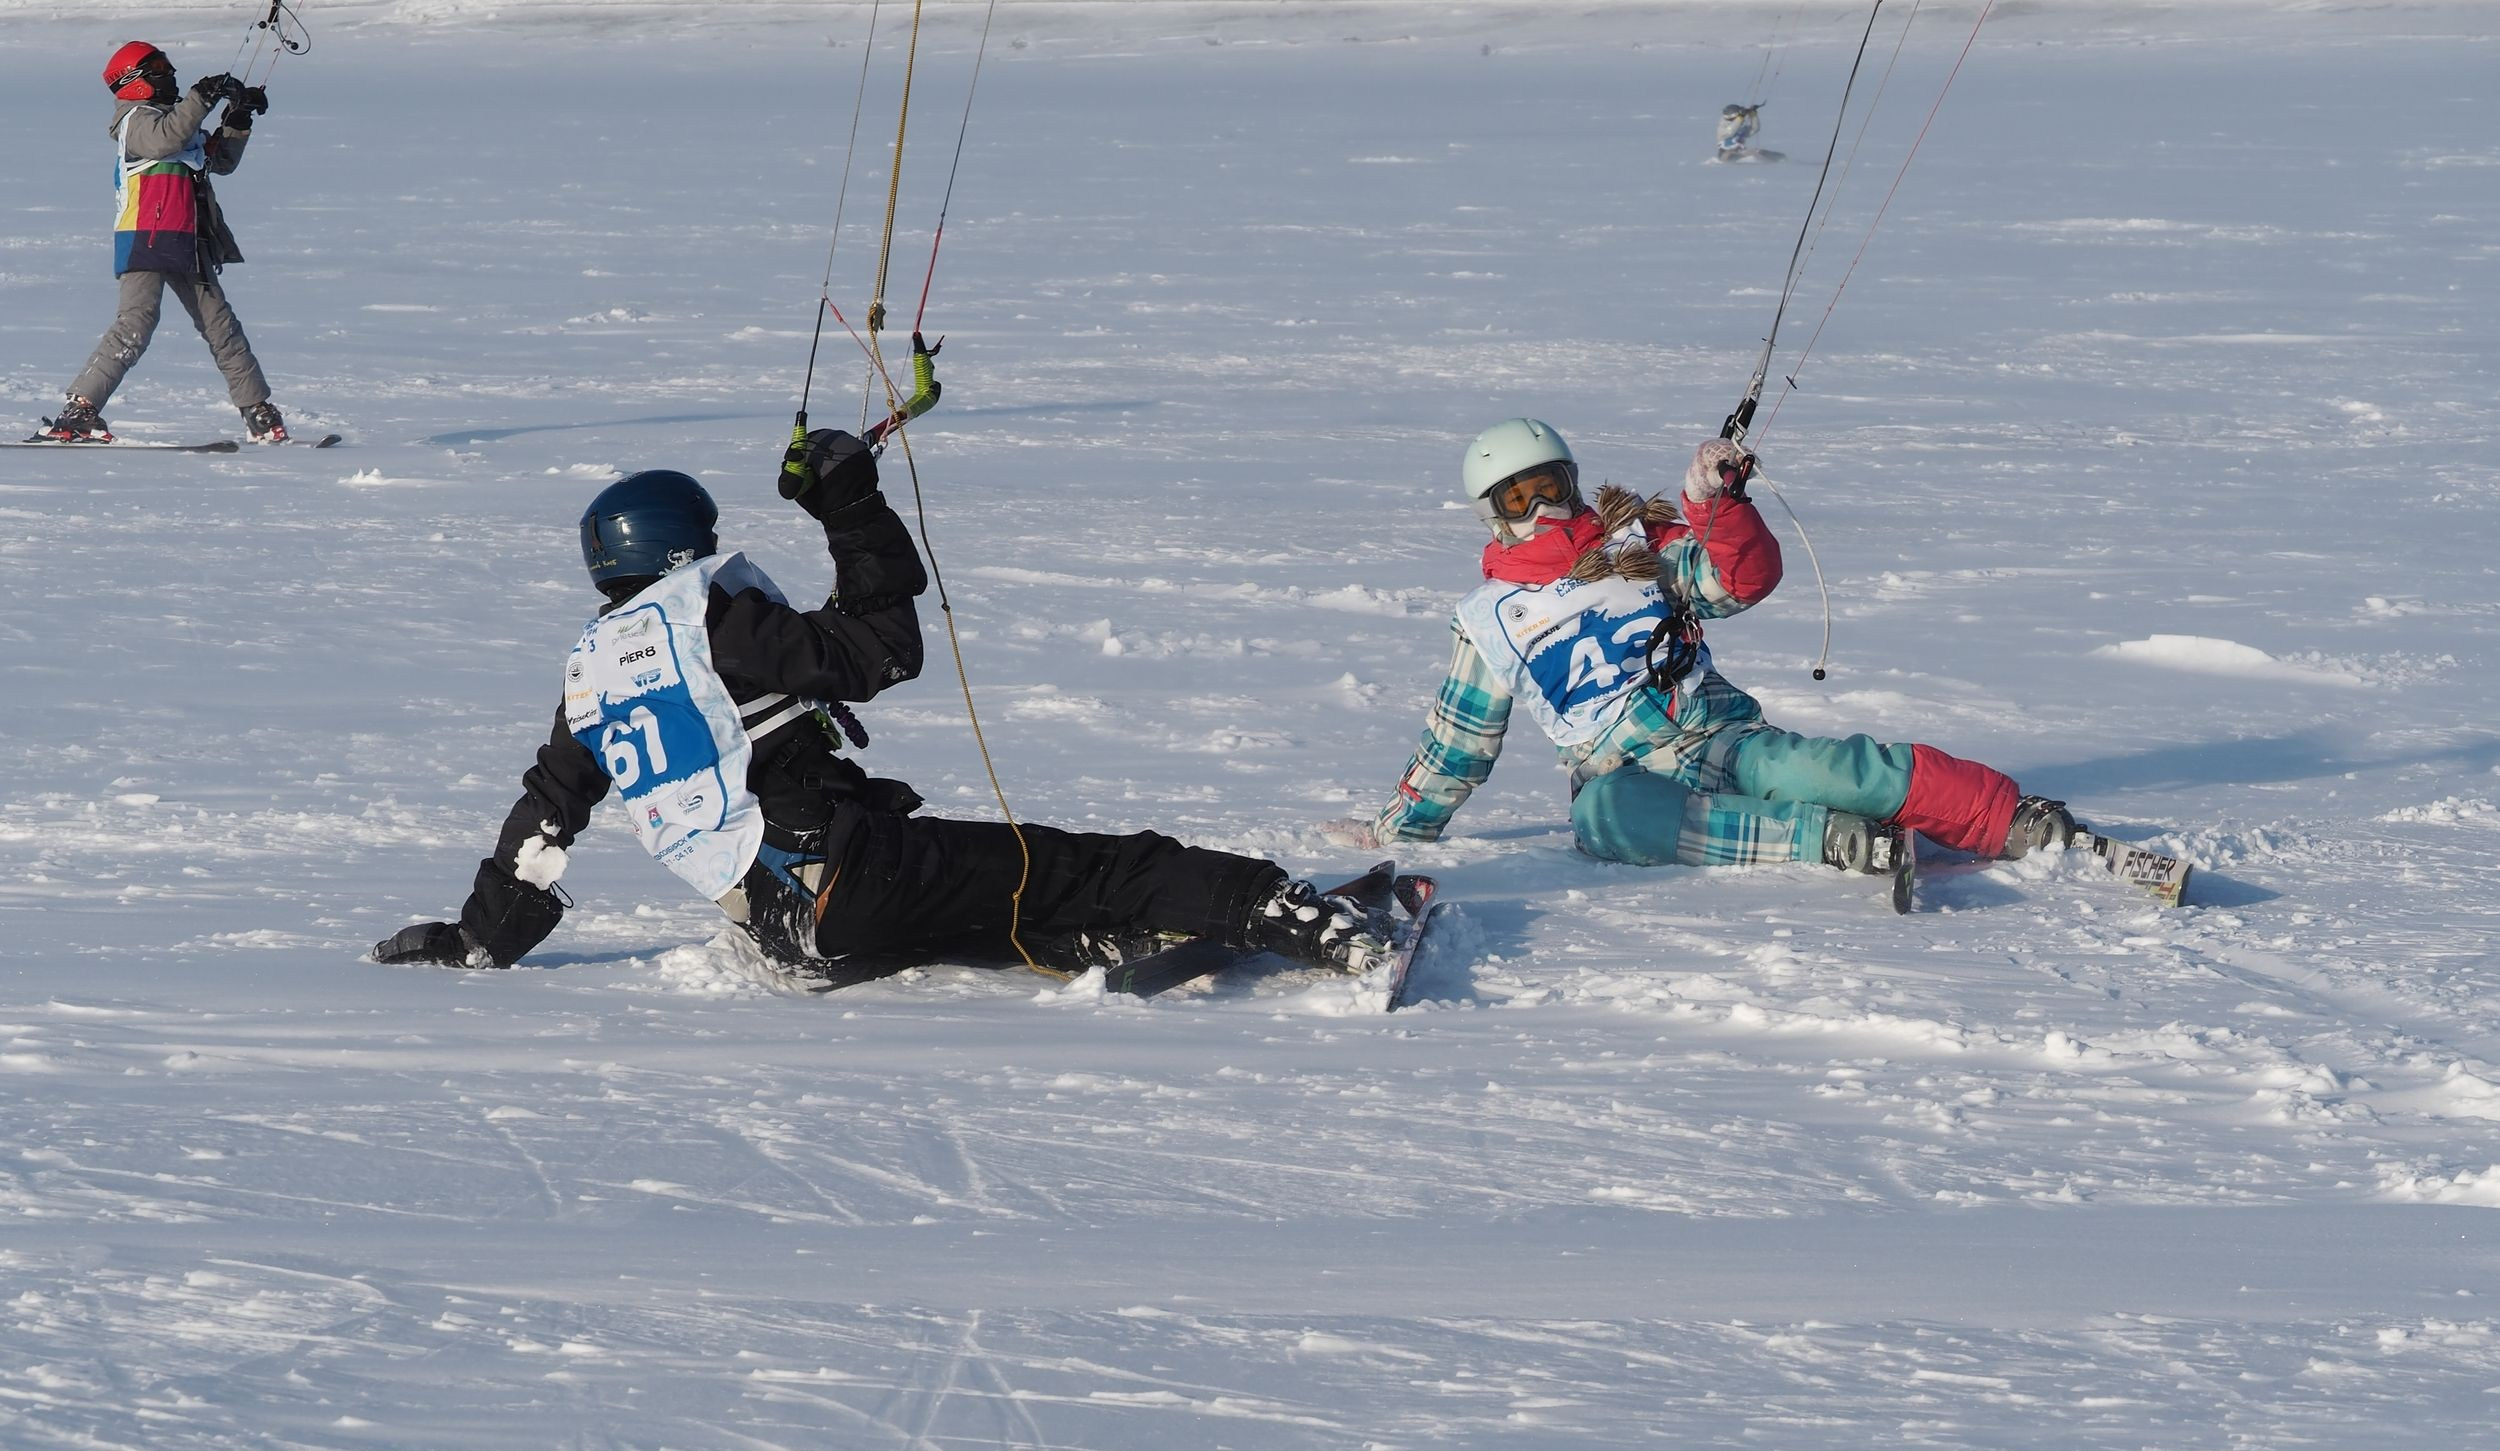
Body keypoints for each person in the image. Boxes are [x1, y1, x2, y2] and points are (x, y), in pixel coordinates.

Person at [372, 433, 1389, 985]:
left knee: (989, 886)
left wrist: (480, 938)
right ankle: (1293, 913)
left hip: (782, 926)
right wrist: (852, 509)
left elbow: (543, 821)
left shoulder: (591, 675)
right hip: (845, 878)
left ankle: (1081, 940)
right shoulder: (710, 619)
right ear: (684, 546)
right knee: (1096, 862)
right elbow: (881, 651)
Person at [1330, 417, 2076, 877]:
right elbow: (1457, 745)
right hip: (1625, 772)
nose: (1544, 509)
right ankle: (1830, 840)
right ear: (1493, 516)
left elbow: (1739, 580)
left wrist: (1715, 505)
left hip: (1719, 735)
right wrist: (1396, 829)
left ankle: (2005, 818)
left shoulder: (1637, 547)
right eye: (1519, 499)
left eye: (1551, 485)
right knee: (1605, 821)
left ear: (1573, 480)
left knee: (1820, 768)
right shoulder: (1490, 619)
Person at [38, 41, 289, 445]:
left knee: (221, 325)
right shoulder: (135, 121)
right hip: (145, 236)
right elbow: (164, 141)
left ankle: (258, 410)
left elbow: (220, 161)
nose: (169, 74)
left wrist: (238, 118)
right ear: (135, 81)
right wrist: (201, 96)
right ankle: (79, 410)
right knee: (136, 323)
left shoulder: (175, 123)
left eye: (167, 66)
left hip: (188, 238)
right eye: (157, 68)